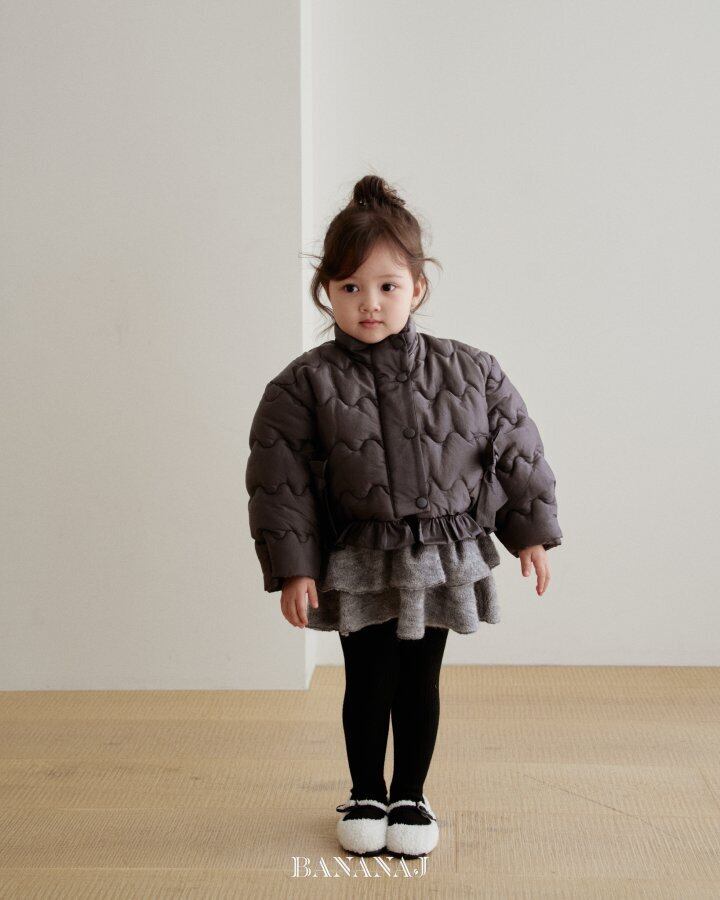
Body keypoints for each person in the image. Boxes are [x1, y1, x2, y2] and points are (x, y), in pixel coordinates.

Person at [245, 174, 563, 858]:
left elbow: (516, 450)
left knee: (420, 680)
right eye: (350, 286)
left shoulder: (471, 370)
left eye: (387, 285)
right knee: (367, 679)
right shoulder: (302, 385)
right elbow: (280, 482)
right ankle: (366, 791)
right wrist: (295, 569)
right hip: (357, 555)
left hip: (438, 555)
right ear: (326, 292)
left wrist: (531, 536)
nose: (369, 302)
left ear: (417, 287)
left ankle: (411, 794)